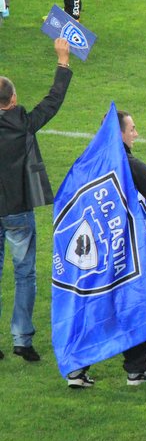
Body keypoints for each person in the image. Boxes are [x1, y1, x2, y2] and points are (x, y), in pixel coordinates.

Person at [65, 110, 146, 388]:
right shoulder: (130, 165)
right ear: (120, 133)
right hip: (122, 248)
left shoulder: (88, 162)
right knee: (131, 302)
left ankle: (76, 369)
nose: (136, 134)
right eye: (132, 129)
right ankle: (136, 370)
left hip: (91, 250)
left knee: (94, 302)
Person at [0, 38, 71, 362]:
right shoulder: (24, 124)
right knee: (24, 274)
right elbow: (53, 101)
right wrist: (63, 60)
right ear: (13, 99)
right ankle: (22, 340)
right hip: (18, 211)